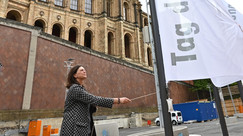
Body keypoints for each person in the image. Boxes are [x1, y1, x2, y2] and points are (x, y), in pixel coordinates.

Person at [60, 65, 131, 136]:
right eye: (81, 70)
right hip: (73, 129)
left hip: (81, 127)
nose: (84, 71)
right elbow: (94, 99)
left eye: (84, 70)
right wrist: (118, 100)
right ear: (75, 75)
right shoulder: (75, 89)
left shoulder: (81, 89)